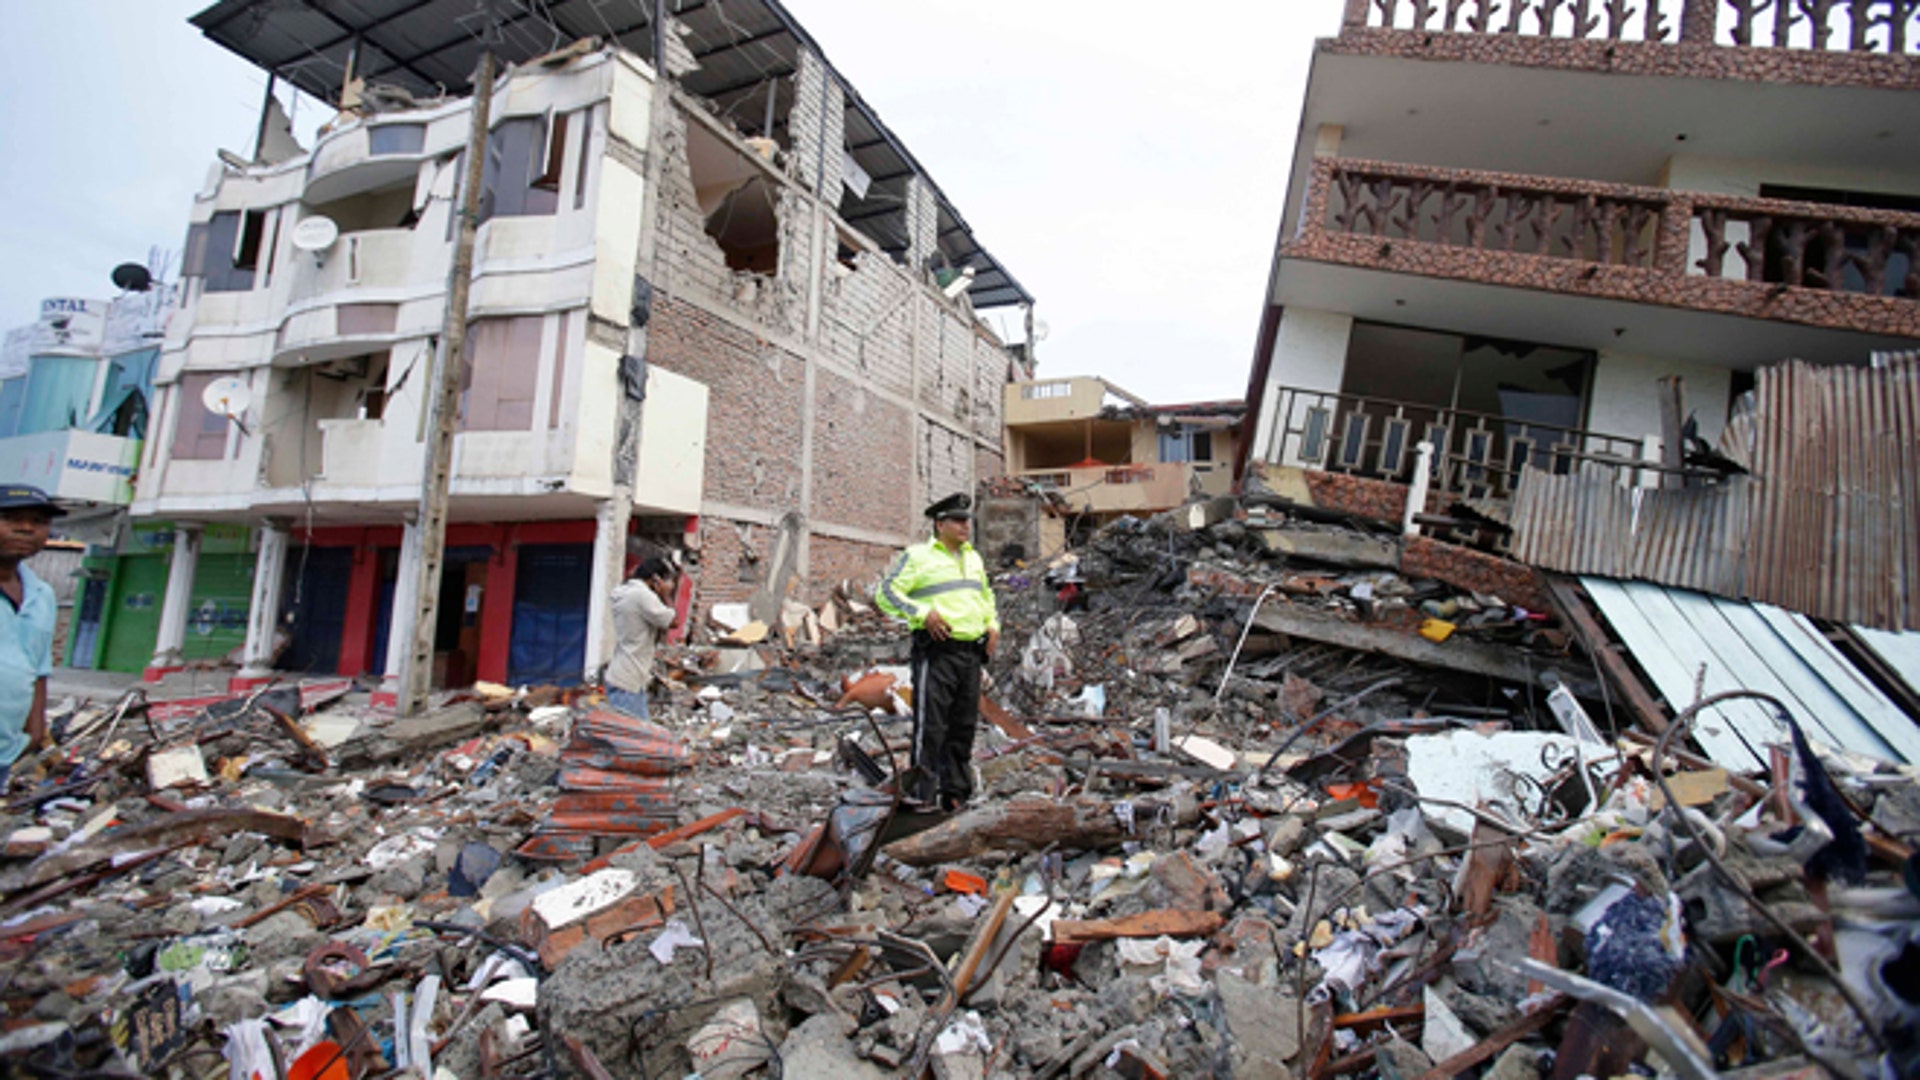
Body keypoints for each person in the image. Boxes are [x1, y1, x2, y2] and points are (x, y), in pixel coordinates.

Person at [875, 493, 1000, 811]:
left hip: (971, 654)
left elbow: (985, 597)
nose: (965, 526)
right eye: (958, 520)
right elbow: (886, 593)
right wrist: (922, 613)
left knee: (963, 726)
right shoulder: (918, 556)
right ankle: (921, 798)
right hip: (938, 653)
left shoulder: (973, 558)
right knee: (931, 728)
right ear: (939, 524)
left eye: (967, 520)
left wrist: (993, 624)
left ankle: (955, 794)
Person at [0, 485, 62, 781]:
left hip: (7, 748)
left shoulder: (42, 594)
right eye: (10, 518)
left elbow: (37, 664)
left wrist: (36, 729)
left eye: (38, 522)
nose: (26, 528)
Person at [606, 556, 678, 719]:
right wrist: (665, 596)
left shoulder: (625, 592)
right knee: (634, 737)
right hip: (629, 681)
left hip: (623, 676)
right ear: (656, 579)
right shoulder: (642, 596)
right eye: (668, 581)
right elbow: (673, 621)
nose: (671, 586)